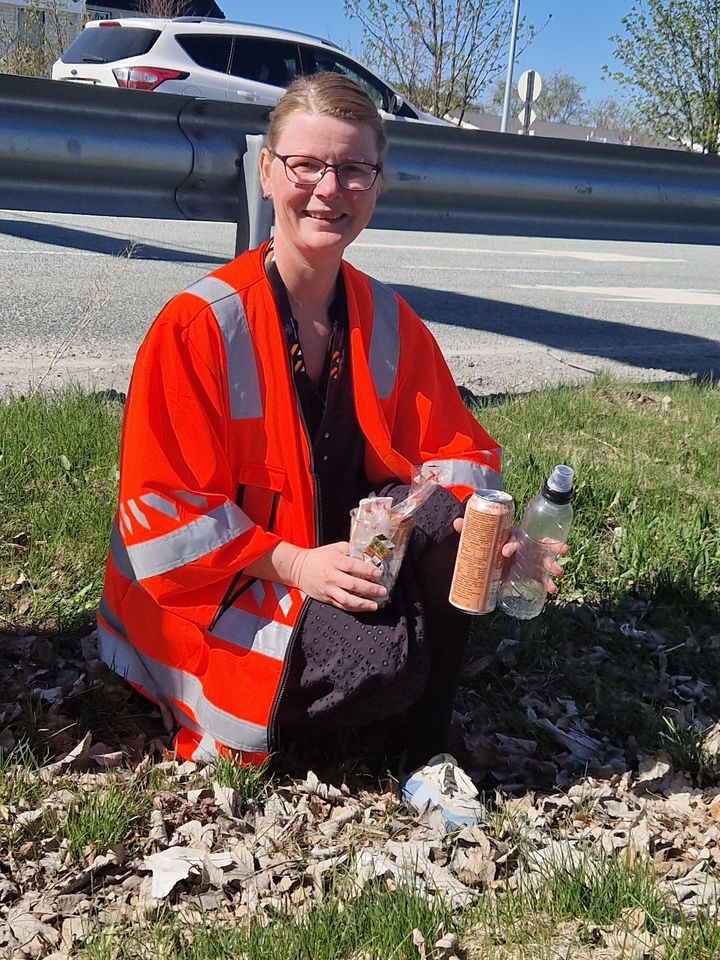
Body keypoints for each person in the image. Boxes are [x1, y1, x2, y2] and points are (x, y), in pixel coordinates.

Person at [98, 73, 563, 827]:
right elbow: (167, 519)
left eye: (353, 169)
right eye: (306, 165)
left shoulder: (386, 316)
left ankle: (425, 753)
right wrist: (298, 565)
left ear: (376, 184)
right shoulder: (198, 326)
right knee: (381, 663)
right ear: (266, 170)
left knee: (461, 525)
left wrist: (497, 542)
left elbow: (453, 456)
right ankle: (370, 673)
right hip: (212, 588)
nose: (329, 189)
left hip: (334, 559)